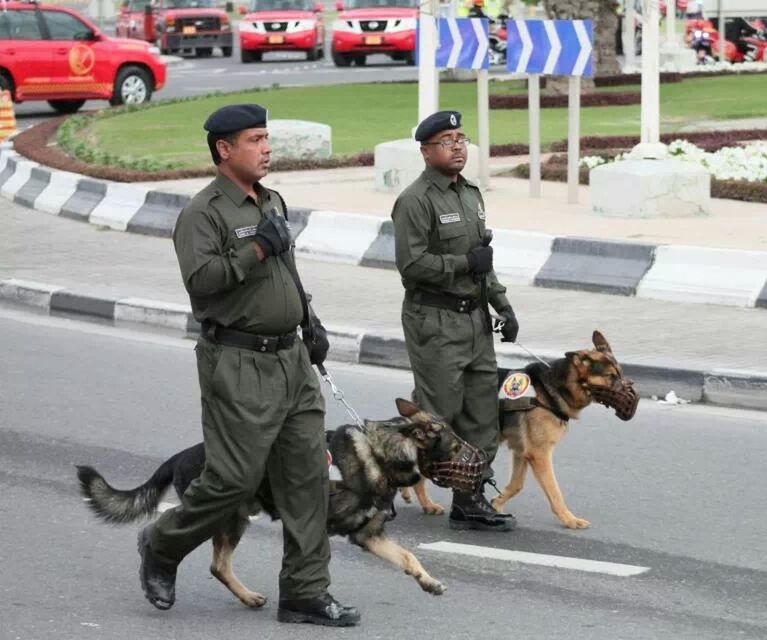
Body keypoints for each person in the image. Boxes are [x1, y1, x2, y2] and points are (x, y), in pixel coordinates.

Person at [137, 103, 360, 628]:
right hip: (236, 363)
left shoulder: (273, 199)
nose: (266, 148)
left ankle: (306, 593)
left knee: (308, 480)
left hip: (292, 360)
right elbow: (202, 282)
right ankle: (162, 545)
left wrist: (311, 321)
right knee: (234, 481)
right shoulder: (203, 213)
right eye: (255, 139)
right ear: (224, 149)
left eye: (267, 138)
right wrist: (256, 247)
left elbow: (288, 271)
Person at [391, 110, 520, 532]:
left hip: (475, 320)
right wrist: (465, 262)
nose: (458, 146)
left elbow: (484, 264)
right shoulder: (415, 200)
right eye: (447, 140)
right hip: (435, 320)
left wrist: (502, 305)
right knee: (435, 416)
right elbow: (411, 265)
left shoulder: (470, 195)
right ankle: (383, 482)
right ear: (427, 152)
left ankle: (469, 497)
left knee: (483, 413)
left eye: (461, 138)